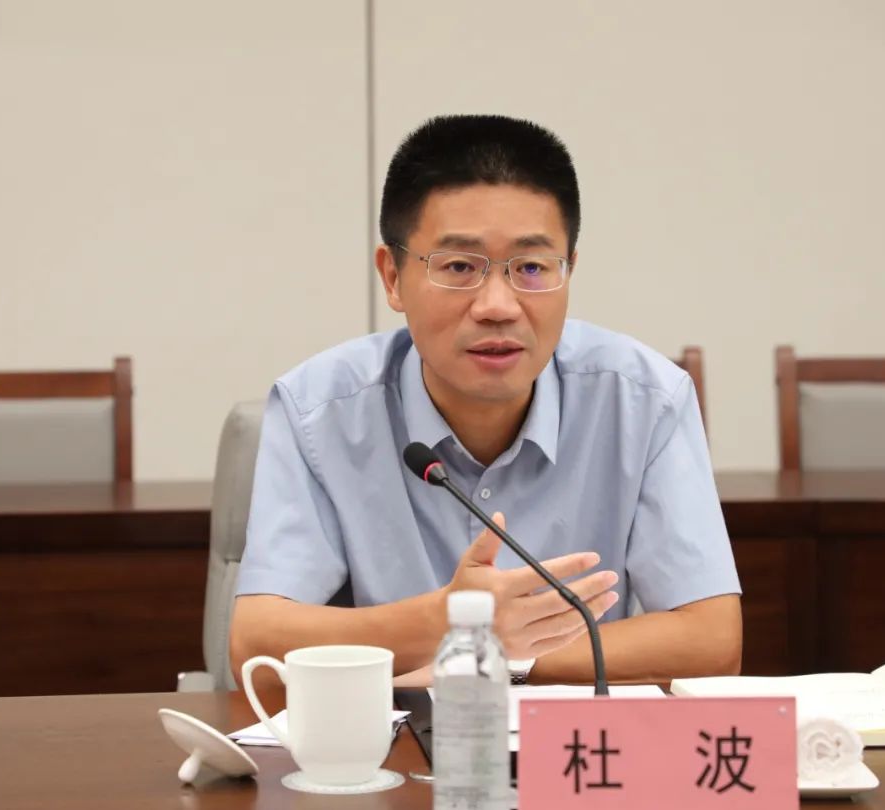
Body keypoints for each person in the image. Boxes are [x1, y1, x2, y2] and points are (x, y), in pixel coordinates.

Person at [230, 115, 741, 689]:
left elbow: (712, 641)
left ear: (569, 271)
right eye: (459, 267)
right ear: (392, 277)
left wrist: (497, 657)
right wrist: (451, 618)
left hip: (570, 742)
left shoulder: (646, 402)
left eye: (531, 268)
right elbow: (257, 645)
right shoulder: (316, 411)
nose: (497, 305)